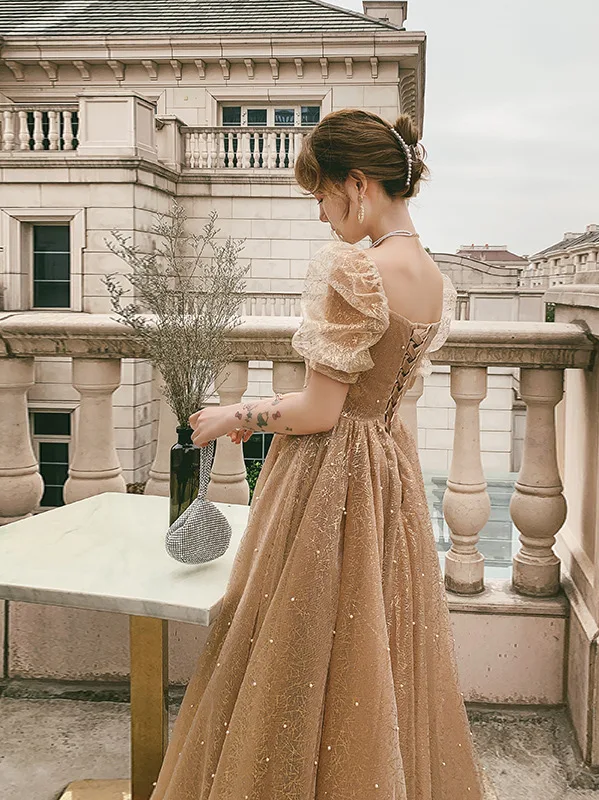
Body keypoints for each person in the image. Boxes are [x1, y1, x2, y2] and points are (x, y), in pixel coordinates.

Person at [150, 108, 489, 799]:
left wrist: (231, 415)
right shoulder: (430, 276)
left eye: (322, 196)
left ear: (358, 185)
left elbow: (320, 409)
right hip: (387, 474)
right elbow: (375, 397)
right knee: (372, 653)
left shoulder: (355, 271)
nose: (321, 215)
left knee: (293, 650)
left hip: (329, 477)